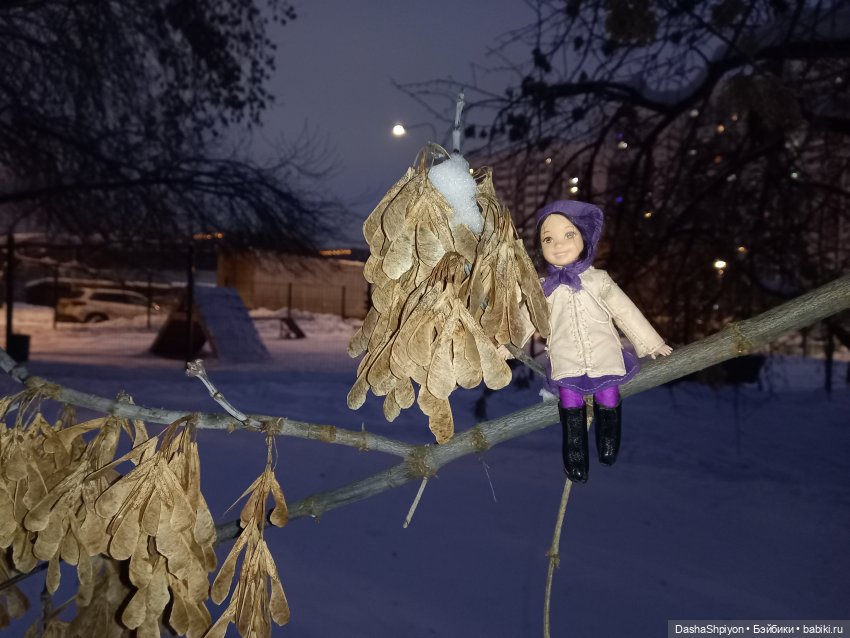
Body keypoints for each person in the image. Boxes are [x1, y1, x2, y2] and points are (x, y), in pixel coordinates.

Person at [534, 200, 672, 483]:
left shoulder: (599, 281)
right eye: (548, 239)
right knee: (570, 403)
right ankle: (575, 458)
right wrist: (506, 346)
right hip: (566, 358)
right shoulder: (543, 288)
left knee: (608, 396)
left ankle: (608, 445)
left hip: (604, 353)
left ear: (584, 238)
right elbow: (528, 317)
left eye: (568, 235)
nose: (558, 245)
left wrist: (652, 343)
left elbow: (625, 311)